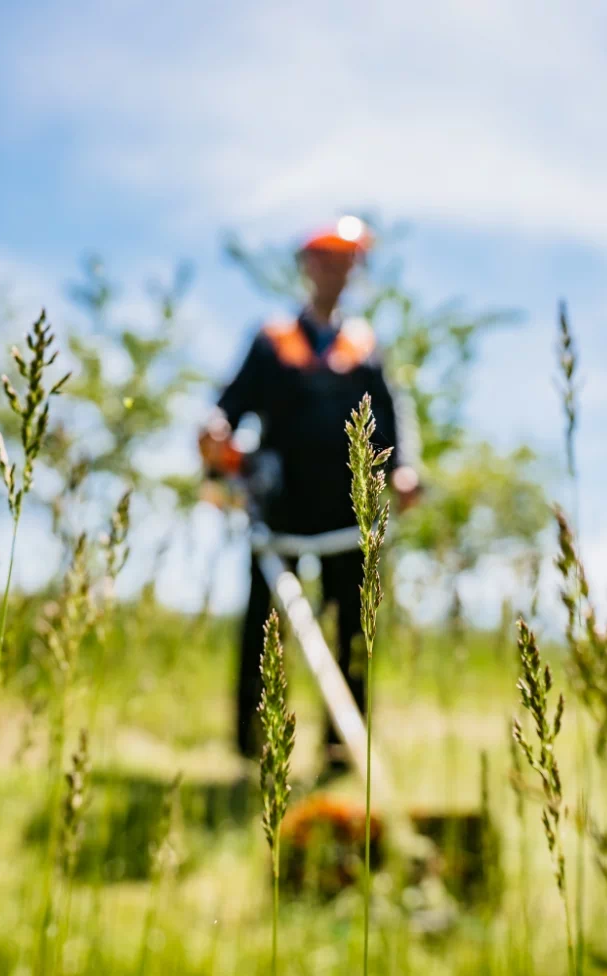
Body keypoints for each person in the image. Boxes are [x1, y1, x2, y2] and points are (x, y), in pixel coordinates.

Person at [200, 216, 420, 768]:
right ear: (307, 267)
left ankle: (343, 752)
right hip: (278, 509)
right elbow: (227, 408)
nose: (336, 272)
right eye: (327, 261)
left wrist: (405, 472)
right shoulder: (272, 341)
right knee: (266, 626)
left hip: (349, 513)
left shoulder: (365, 347)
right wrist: (214, 435)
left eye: (347, 262)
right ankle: (253, 747)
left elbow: (392, 425)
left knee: (354, 628)